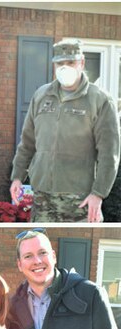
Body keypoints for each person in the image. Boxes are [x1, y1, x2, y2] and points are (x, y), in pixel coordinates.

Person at [10, 39, 120, 223]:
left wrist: (98, 194)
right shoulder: (41, 96)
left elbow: (109, 154)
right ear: (54, 65)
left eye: (70, 63)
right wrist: (17, 177)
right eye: (60, 63)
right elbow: (27, 142)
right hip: (42, 196)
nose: (64, 67)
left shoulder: (99, 100)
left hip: (80, 199)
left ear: (81, 63)